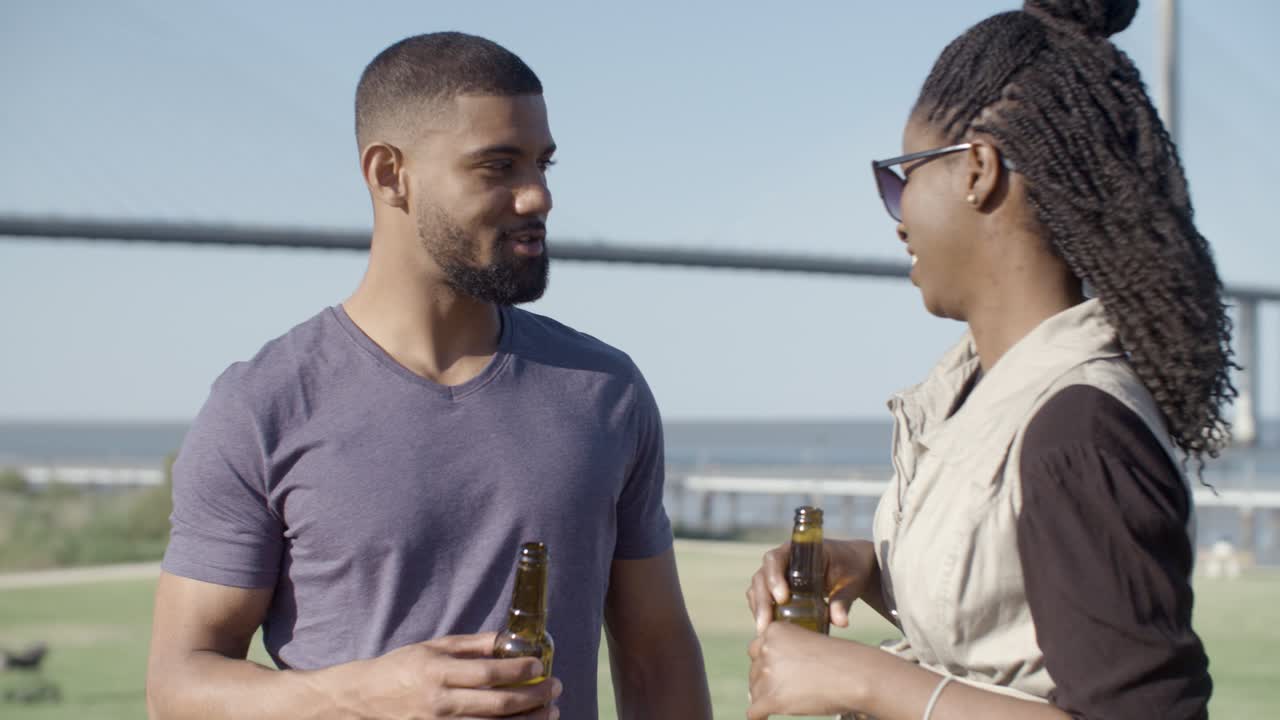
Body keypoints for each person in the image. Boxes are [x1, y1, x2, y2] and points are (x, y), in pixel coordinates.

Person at [146, 32, 712, 720]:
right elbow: (179, 689)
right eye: (498, 166)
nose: (538, 197)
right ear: (389, 174)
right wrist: (363, 697)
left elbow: (657, 656)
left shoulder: (606, 389)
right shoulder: (262, 404)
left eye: (542, 164)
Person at [745, 1, 1226, 718]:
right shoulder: (981, 390)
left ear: (977, 170)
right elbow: (1014, 609)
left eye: (901, 177)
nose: (899, 216)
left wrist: (863, 680)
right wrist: (870, 568)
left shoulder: (1077, 431)